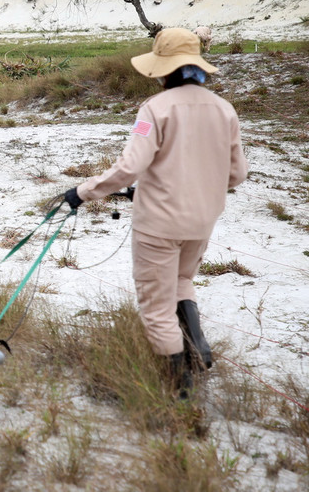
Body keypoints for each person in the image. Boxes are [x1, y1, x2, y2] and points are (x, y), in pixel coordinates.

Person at [63, 27, 247, 397]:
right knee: (181, 282)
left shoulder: (155, 108)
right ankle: (199, 351)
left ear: (165, 70)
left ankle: (178, 389)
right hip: (203, 221)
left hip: (159, 225)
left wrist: (83, 192)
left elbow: (131, 166)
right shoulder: (224, 109)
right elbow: (237, 174)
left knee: (156, 305)